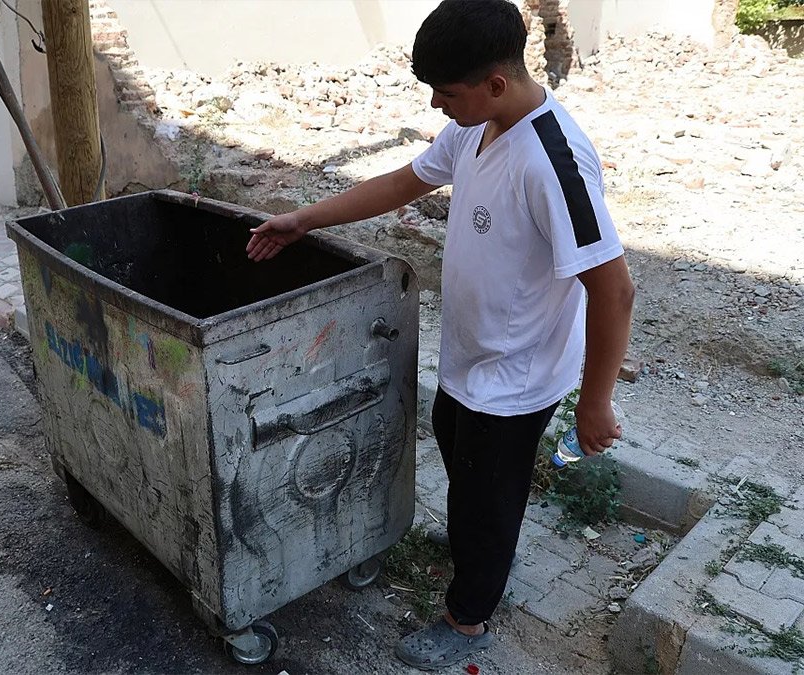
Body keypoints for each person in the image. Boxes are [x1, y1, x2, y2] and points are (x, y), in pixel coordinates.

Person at [245, 0, 635, 669]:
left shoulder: (553, 161)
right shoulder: (474, 127)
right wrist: (305, 219)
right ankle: (483, 548)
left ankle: (468, 620)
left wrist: (594, 402)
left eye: (446, 92)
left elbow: (615, 289)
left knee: (485, 499)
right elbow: (403, 180)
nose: (435, 104)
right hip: (472, 362)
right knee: (468, 472)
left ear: (495, 84)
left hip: (515, 380)